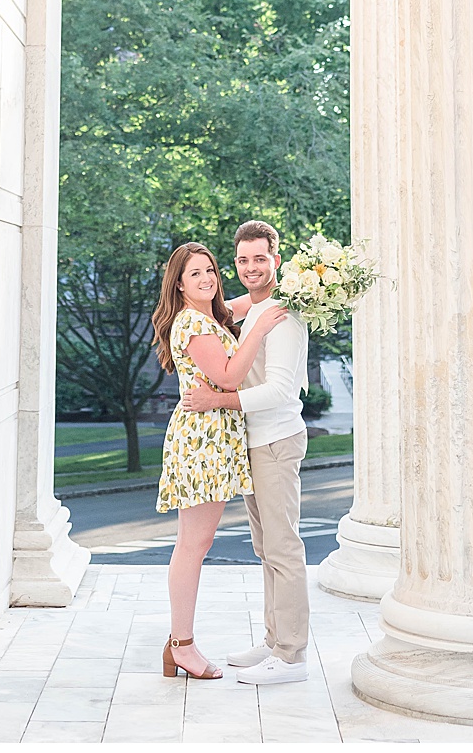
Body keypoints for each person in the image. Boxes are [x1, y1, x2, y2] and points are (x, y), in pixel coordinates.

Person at [183, 219, 313, 685]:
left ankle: (292, 656)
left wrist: (216, 400)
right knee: (266, 549)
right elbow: (221, 310)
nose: (251, 267)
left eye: (261, 258)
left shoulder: (281, 317)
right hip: (255, 443)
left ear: (276, 260)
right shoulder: (255, 309)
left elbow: (280, 391)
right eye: (242, 260)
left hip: (276, 439)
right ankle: (275, 640)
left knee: (283, 548)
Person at [150, 242, 288, 679]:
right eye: (195, 274)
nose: (207, 278)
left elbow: (257, 295)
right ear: (179, 283)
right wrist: (261, 329)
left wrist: (305, 286)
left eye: (210, 270)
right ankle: (182, 646)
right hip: (202, 442)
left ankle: (180, 644)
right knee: (193, 545)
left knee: (197, 544)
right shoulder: (192, 323)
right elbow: (228, 375)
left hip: (215, 438)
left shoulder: (212, 313)